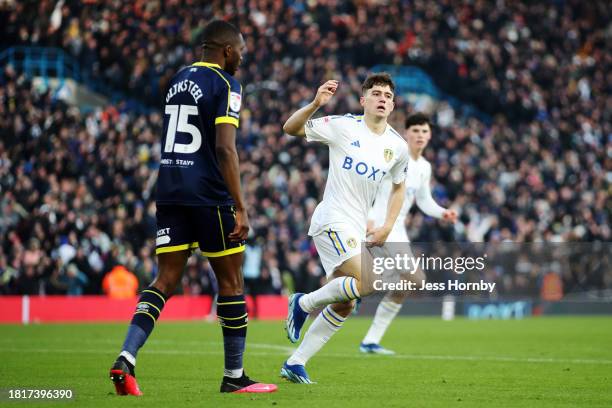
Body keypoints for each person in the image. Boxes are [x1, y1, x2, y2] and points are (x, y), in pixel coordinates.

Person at [109, 20, 277, 395]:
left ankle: (126, 357)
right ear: (227, 50)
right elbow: (224, 148)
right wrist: (241, 206)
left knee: (164, 280)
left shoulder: (177, 79)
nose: (243, 60)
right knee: (231, 282)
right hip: (208, 194)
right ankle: (234, 376)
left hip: (169, 189)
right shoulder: (227, 84)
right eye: (242, 53)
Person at [281, 73, 409, 383]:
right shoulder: (342, 125)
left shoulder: (397, 146)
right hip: (332, 220)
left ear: (392, 106)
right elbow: (290, 128)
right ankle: (303, 302)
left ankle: (295, 363)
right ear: (363, 100)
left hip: (356, 228)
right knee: (371, 281)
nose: (383, 99)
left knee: (345, 302)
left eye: (388, 96)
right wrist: (315, 104)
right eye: (376, 93)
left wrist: (388, 226)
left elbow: (399, 187)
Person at [359, 112, 458, 355]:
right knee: (416, 279)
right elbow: (374, 186)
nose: (420, 135)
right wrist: (370, 217)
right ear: (406, 133)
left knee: (405, 286)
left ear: (430, 135)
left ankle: (370, 339)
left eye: (424, 131)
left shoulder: (424, 167)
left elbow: (423, 200)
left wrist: (442, 212)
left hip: (398, 228)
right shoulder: (395, 155)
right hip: (381, 223)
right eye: (415, 131)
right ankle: (354, 289)